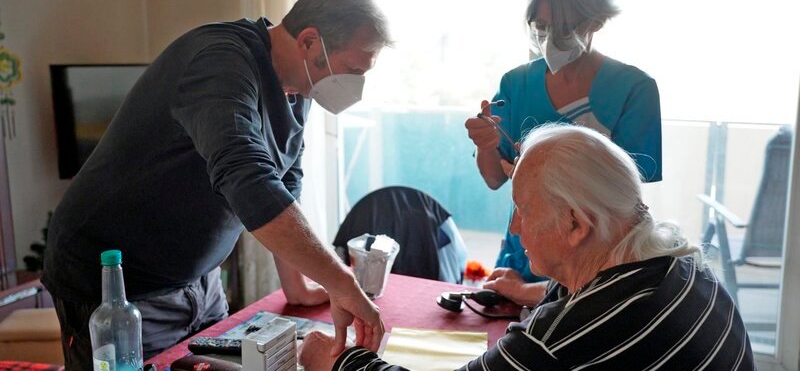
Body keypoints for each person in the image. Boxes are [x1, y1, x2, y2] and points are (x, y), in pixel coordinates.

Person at [41, 0, 390, 369]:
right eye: (354, 70)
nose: (357, 85)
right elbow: (249, 180)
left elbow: (284, 183)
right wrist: (341, 281)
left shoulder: (297, 89)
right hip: (117, 289)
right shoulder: (220, 63)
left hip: (200, 281)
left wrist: (300, 285)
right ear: (309, 42)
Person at [298, 124, 754, 371]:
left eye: (522, 209)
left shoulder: (561, 338)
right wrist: (532, 292)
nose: (514, 228)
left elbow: (577, 332)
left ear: (576, 224)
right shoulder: (685, 265)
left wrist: (342, 364)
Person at [464, 0, 662, 307]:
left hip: (595, 264)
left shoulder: (634, 89)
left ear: (597, 22)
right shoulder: (517, 83)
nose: (550, 38)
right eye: (541, 26)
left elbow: (625, 200)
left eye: (565, 28)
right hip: (523, 255)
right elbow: (495, 178)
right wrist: (486, 145)